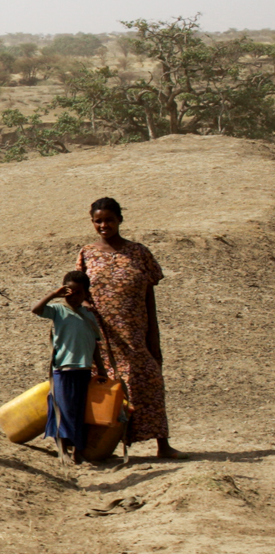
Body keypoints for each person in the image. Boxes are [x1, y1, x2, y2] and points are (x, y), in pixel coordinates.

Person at [77, 197, 180, 459]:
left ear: (120, 219)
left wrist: (153, 339)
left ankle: (163, 446)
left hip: (135, 335)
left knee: (150, 382)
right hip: (102, 338)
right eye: (98, 221)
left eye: (109, 219)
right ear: (92, 222)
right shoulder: (87, 254)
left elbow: (149, 297)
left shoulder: (139, 253)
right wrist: (86, 306)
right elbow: (77, 293)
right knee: (102, 391)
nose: (104, 225)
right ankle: (99, 448)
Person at [30, 271, 101, 464]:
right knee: (63, 410)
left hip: (85, 370)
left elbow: (95, 344)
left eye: (79, 292)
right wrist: (54, 294)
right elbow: (36, 309)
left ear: (86, 293)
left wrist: (101, 369)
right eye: (70, 291)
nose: (74, 296)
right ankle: (62, 450)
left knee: (80, 412)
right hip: (63, 369)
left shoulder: (89, 315)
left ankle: (78, 450)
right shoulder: (58, 310)